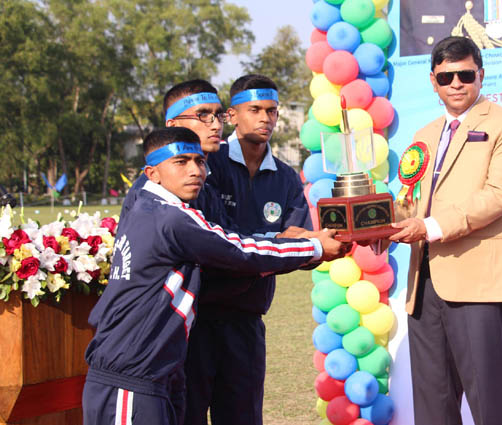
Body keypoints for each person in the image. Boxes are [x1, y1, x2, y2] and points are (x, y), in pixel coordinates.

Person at [82, 127, 345, 425]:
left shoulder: (145, 206)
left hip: (147, 374)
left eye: (200, 161)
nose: (195, 171)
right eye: (181, 162)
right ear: (152, 173)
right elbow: (240, 252)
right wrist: (314, 247)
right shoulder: (170, 217)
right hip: (131, 378)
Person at [388, 36, 502, 424]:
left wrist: (428, 227)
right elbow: (410, 199)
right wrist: (376, 222)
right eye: (446, 76)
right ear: (433, 81)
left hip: (479, 283)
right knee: (432, 407)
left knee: (489, 405)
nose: (456, 83)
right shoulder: (424, 134)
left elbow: (498, 195)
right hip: (424, 284)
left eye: (465, 75)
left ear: (480, 75)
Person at [183, 74, 314, 425]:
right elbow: (216, 242)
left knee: (242, 417)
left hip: (247, 320)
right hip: (196, 320)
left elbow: (300, 245)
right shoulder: (206, 162)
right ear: (231, 115)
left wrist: (305, 245)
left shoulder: (286, 177)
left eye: (272, 111)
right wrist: (277, 242)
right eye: (254, 109)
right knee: (187, 415)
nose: (265, 118)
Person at [121, 79, 228, 221]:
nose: (217, 126)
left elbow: (225, 229)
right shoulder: (156, 187)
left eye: (219, 115)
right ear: (173, 125)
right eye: (202, 115)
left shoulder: (204, 179)